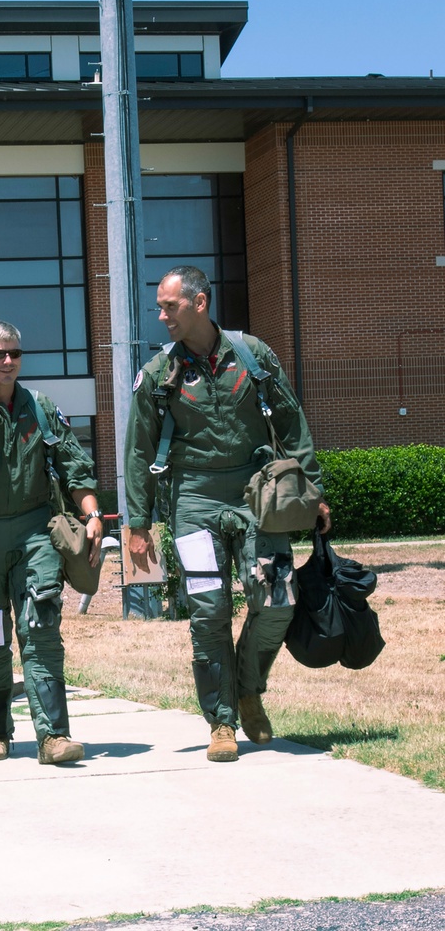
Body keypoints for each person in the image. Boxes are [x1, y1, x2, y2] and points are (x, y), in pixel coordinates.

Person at [124, 265, 331, 762]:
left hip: (257, 494)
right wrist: (137, 523)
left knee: (278, 598)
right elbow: (138, 450)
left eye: (169, 306)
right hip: (193, 499)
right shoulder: (158, 373)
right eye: (159, 306)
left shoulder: (251, 354)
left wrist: (313, 487)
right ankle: (222, 721)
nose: (161, 315)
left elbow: (290, 420)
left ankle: (248, 688)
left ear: (200, 303)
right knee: (208, 611)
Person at [0, 319, 101, 764]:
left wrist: (91, 512)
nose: (7, 362)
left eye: (14, 354)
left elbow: (73, 464)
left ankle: (53, 737)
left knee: (41, 630)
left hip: (33, 531)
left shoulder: (42, 408)